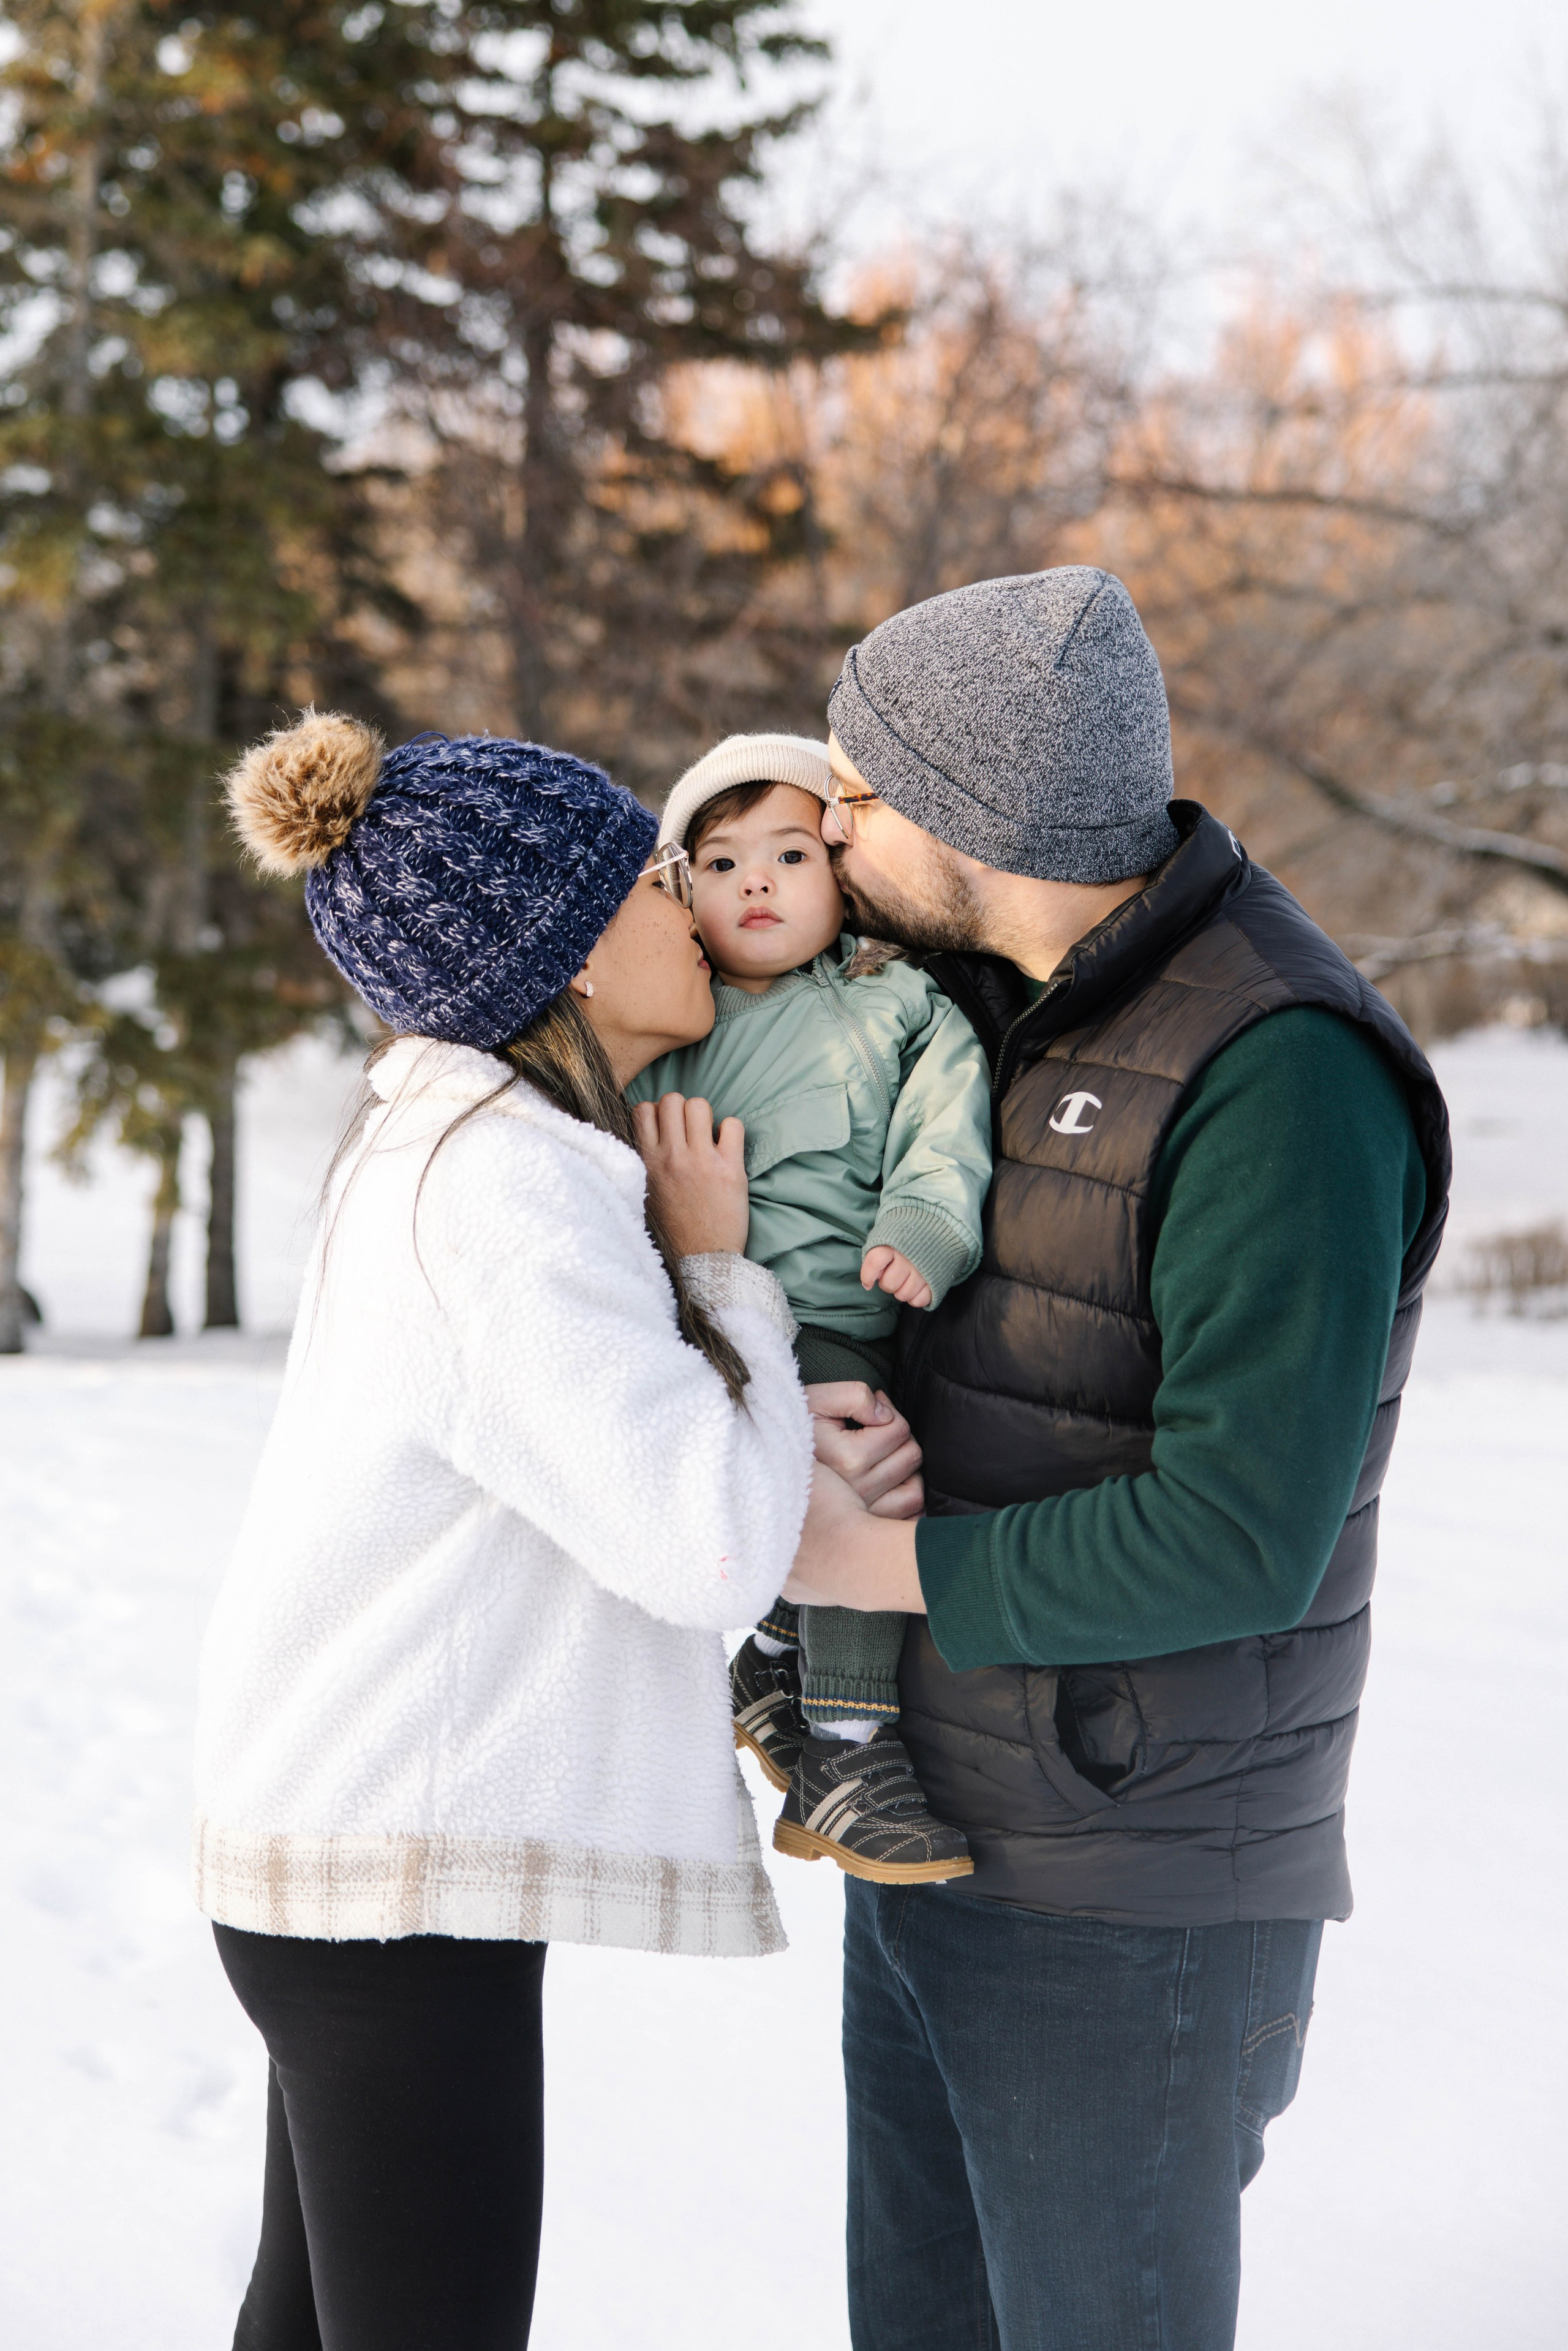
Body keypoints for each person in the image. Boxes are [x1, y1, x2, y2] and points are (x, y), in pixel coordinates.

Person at [785, 567, 1452, 2351]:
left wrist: (875, 1565)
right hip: (937, 1833)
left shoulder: (1277, 1069)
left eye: (855, 789)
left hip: (1124, 1885)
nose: (826, 826)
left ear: (977, 808)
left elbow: (1240, 1531)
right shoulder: (979, 1004)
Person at [192, 711, 915, 2351]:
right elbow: (706, 1541)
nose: (695, 903)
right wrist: (725, 1268)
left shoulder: (459, 1142)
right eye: (658, 879)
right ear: (577, 946)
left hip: (349, 1849)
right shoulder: (505, 1190)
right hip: (390, 1883)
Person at [628, 732, 992, 1883]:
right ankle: (845, 1743)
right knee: (865, 1480)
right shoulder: (673, 1031)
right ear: (682, 891)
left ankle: (778, 1660)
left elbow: (946, 1124)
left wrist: (927, 1223)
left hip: (864, 1305)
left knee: (880, 1459)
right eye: (722, 863)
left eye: (790, 854)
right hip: (738, 1323)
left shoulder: (894, 1002)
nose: (759, 883)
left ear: (841, 871)